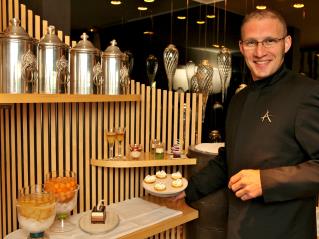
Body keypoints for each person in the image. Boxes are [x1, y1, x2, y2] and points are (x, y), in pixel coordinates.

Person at [175, 9, 319, 239]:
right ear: (242, 47)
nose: (260, 52)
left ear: (287, 43)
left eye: (270, 41)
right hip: (239, 230)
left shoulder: (308, 93)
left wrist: (266, 181)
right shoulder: (239, 99)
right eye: (252, 42)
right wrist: (186, 190)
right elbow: (227, 159)